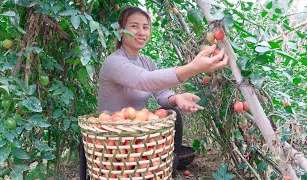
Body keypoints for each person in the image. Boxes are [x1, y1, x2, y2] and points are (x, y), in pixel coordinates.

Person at [79, 6, 228, 179]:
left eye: (145, 27)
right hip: (111, 137)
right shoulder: (114, 62)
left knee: (175, 114)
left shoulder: (147, 62)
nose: (141, 32)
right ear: (121, 31)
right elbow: (145, 80)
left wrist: (176, 97)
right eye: (134, 26)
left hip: (136, 133)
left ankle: (171, 166)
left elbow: (160, 93)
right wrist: (192, 68)